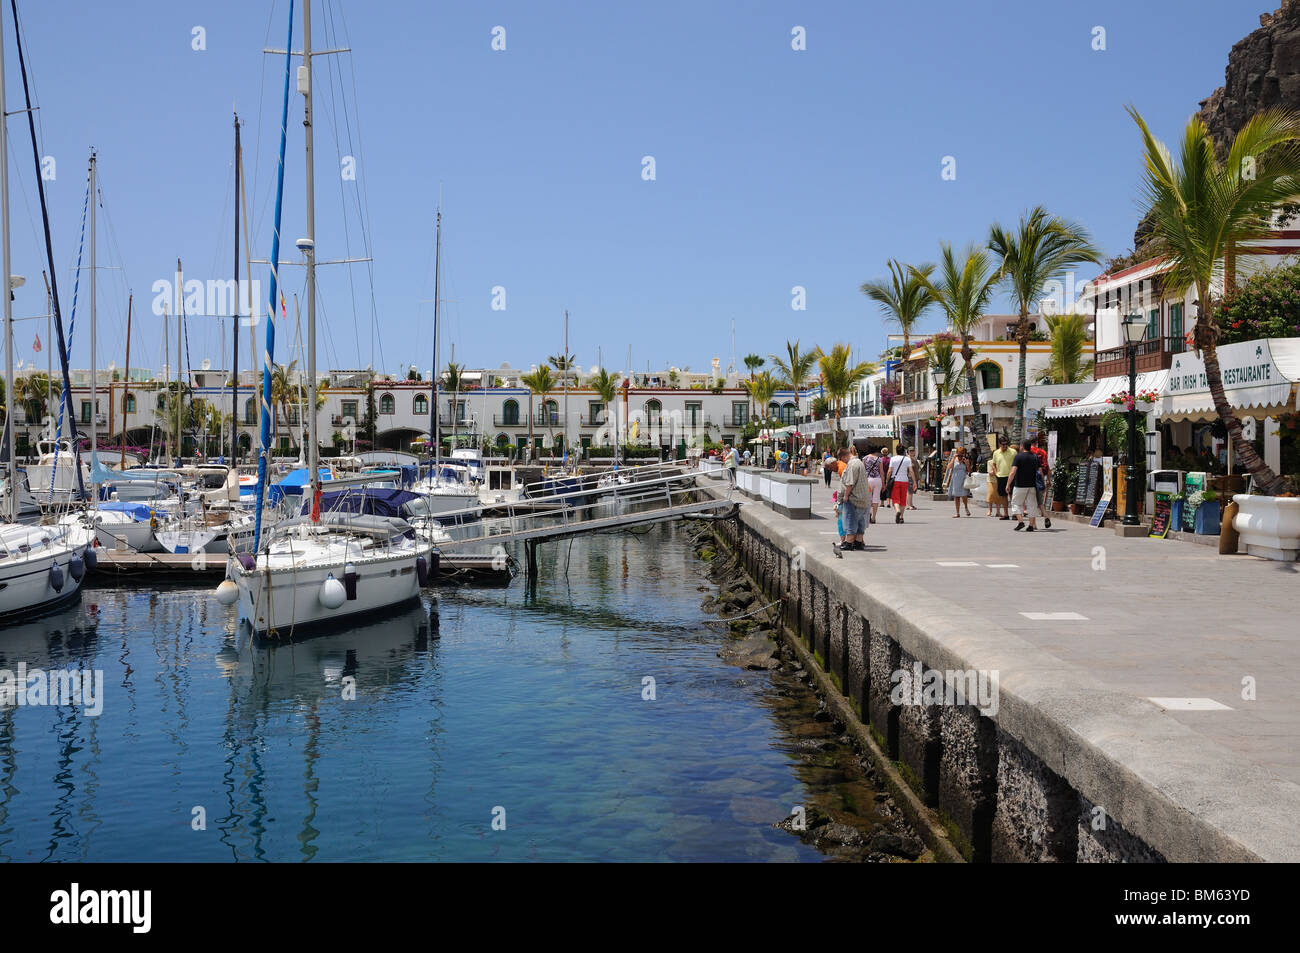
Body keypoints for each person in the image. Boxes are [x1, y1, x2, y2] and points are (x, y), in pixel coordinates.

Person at [837, 446, 869, 551]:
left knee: (851, 520)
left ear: (844, 456)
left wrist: (845, 496)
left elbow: (849, 483)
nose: (843, 462)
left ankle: (849, 542)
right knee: (860, 521)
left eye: (842, 460)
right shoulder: (859, 462)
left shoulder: (851, 464)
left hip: (853, 498)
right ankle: (859, 542)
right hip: (863, 497)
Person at [1006, 438, 1042, 532]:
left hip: (1020, 485)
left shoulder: (1018, 457)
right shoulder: (1035, 457)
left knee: (1016, 503)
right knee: (1032, 505)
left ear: (1022, 446)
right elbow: (1040, 472)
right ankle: (1031, 525)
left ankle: (1021, 522)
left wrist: (1008, 484)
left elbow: (1013, 472)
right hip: (1032, 485)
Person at [885, 444, 913, 523]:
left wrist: (887, 480)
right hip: (905, 480)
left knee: (895, 498)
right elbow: (911, 471)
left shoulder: (893, 459)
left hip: (896, 480)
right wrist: (914, 481)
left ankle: (897, 511)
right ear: (904, 451)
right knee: (903, 499)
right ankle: (901, 517)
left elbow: (890, 471)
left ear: (896, 450)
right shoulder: (907, 459)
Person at [991, 436, 1015, 520]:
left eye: (1006, 444)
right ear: (999, 444)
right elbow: (993, 463)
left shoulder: (1013, 452)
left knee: (1012, 495)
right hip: (1000, 476)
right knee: (1003, 496)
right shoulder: (996, 453)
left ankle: (1015, 514)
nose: (1005, 446)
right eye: (1003, 444)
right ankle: (1006, 514)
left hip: (1011, 476)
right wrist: (995, 471)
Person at [1031, 438, 1052, 529]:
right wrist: (1048, 480)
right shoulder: (1043, 452)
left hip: (1031, 479)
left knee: (1032, 503)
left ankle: (1034, 524)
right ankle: (1046, 516)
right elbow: (1046, 466)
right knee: (1039, 501)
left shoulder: (1028, 452)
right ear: (1036, 443)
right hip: (1040, 479)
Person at [945, 445, 972, 517]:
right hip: (956, 480)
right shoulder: (954, 459)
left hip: (963, 480)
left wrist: (967, 464)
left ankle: (966, 508)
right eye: (959, 454)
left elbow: (969, 471)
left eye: (961, 454)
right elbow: (949, 467)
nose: (960, 456)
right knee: (956, 497)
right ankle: (957, 513)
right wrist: (954, 458)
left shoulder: (965, 460)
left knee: (964, 496)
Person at [863, 445, 883, 523]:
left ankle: (868, 514)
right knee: (876, 499)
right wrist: (883, 482)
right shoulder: (879, 459)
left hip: (868, 480)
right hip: (878, 479)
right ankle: (874, 517)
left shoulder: (865, 458)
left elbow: (862, 470)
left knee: (868, 498)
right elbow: (881, 471)